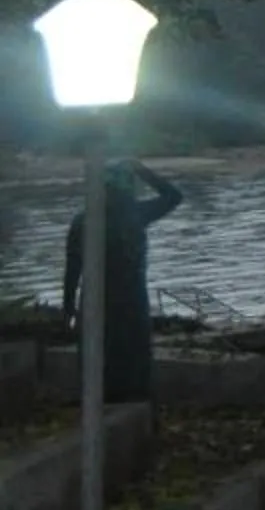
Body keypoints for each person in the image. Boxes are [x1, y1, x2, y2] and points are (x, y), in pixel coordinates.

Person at [59, 160, 184, 402]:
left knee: (112, 361)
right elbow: (173, 195)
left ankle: (119, 408)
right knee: (126, 361)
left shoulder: (87, 220)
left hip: (109, 301)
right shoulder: (133, 214)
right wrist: (141, 169)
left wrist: (68, 308)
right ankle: (123, 408)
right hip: (123, 301)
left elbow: (72, 270)